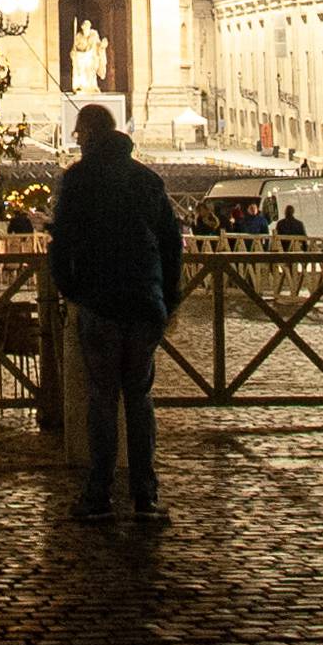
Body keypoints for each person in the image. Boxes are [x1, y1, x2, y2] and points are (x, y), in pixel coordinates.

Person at [49, 103, 183, 525]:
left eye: (78, 134)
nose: (76, 141)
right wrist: (168, 297)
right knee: (140, 400)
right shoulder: (147, 179)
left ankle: (99, 494)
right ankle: (145, 495)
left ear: (88, 134)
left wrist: (71, 289)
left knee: (102, 400)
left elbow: (62, 241)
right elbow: (171, 246)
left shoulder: (78, 180)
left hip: (101, 302)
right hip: (145, 303)